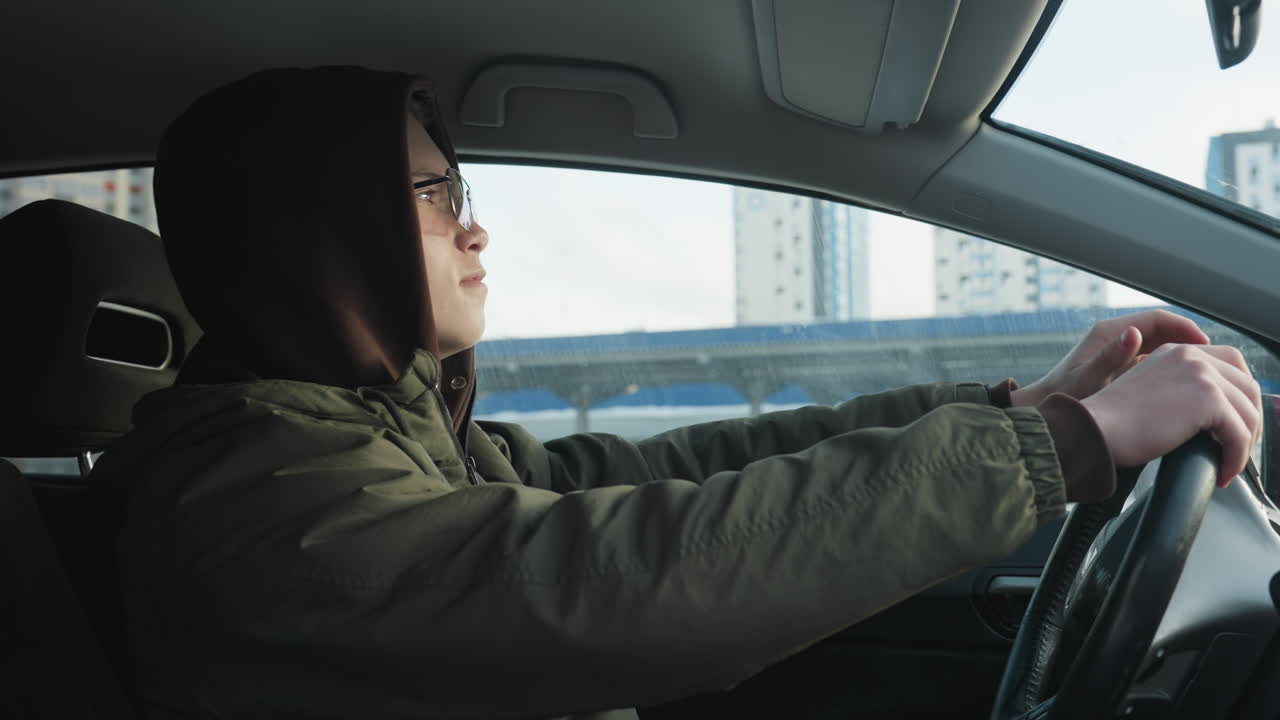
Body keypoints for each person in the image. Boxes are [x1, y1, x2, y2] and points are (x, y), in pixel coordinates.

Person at [90, 66, 1262, 720]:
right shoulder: (251, 504)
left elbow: (664, 479)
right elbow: (621, 576)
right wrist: (1058, 447)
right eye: (438, 191)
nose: (476, 224)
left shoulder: (377, 438)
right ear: (323, 227)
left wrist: (1028, 411)